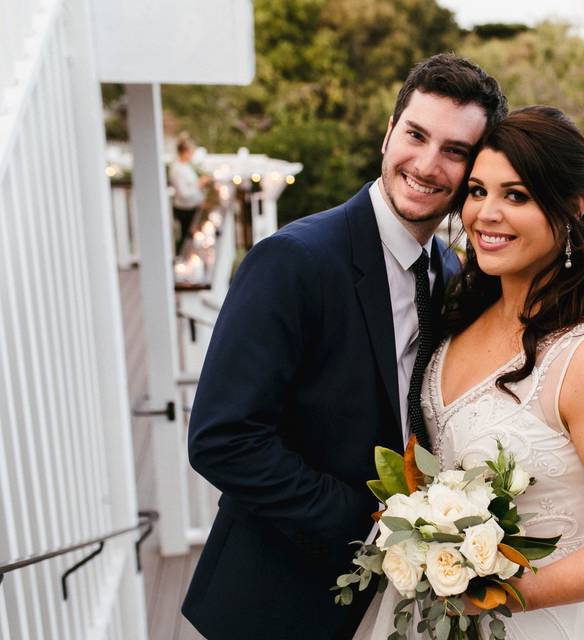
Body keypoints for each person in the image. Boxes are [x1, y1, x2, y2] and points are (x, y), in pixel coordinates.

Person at [182, 54, 507, 640]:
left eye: (455, 151)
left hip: (393, 606)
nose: (427, 164)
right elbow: (222, 439)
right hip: (273, 602)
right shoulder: (294, 260)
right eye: (415, 135)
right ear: (388, 132)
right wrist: (375, 524)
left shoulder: (451, 268)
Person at [355, 106, 584, 638]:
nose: (485, 214)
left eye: (515, 196)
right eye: (477, 191)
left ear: (574, 206)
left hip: (534, 620)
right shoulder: (463, 309)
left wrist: (502, 594)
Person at [169, 137, 210, 254]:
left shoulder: (186, 166)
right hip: (185, 209)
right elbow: (184, 193)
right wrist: (199, 183)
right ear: (184, 151)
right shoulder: (177, 169)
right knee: (185, 238)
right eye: (190, 152)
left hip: (193, 206)